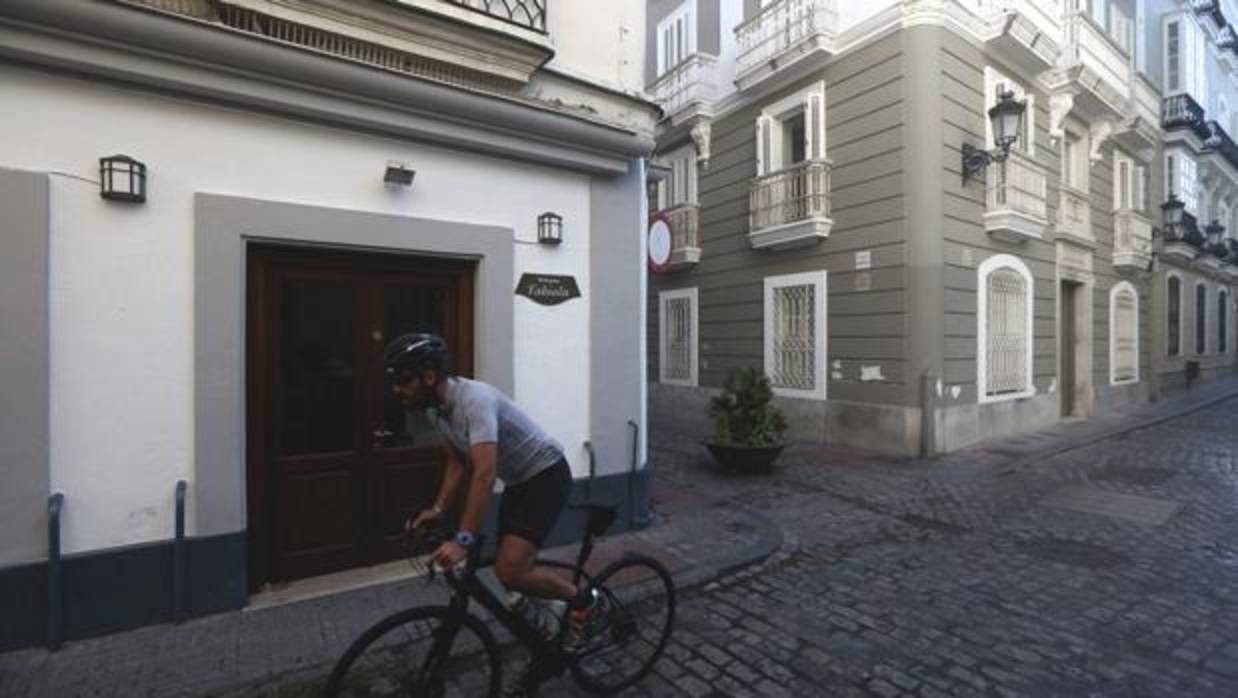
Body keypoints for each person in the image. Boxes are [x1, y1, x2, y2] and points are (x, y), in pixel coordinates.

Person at [385, 332, 599, 653]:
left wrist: (464, 540)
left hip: (546, 475)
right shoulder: (436, 411)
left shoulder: (474, 400)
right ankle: (553, 610)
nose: (397, 389)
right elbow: (457, 464)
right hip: (518, 481)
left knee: (510, 569)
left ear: (429, 376)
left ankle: (582, 602)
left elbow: (484, 473)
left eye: (403, 380)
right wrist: (439, 509)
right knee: (509, 572)